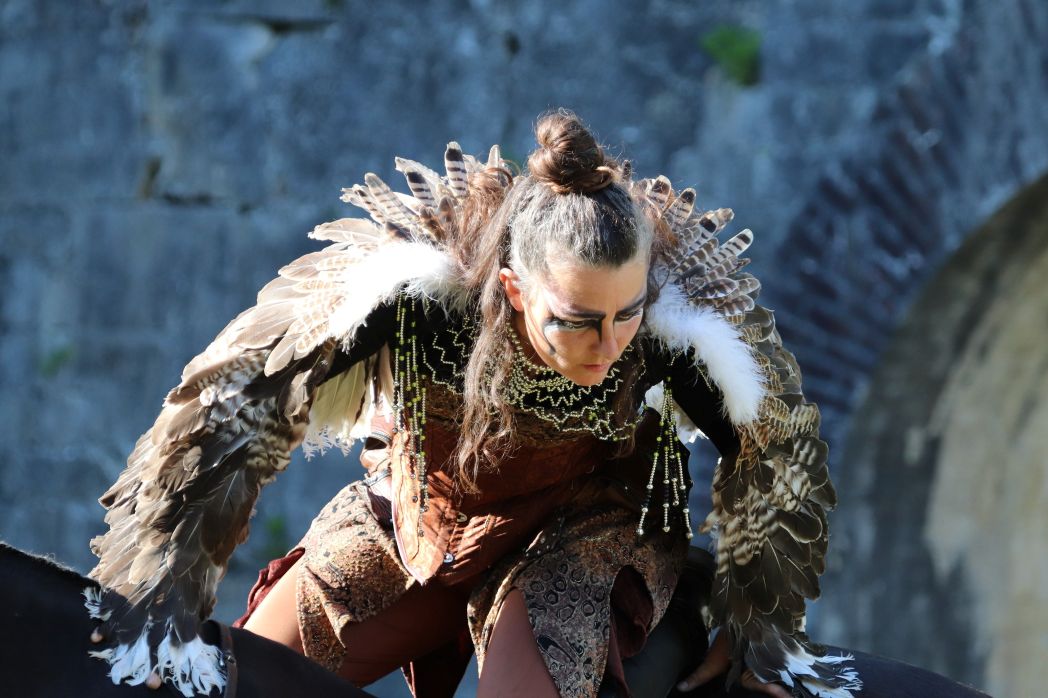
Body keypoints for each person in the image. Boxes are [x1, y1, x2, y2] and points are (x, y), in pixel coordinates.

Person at [84, 110, 985, 698]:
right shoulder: (412, 300)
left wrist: (759, 626)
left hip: (585, 531)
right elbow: (222, 412)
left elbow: (775, 460)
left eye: (627, 315)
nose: (611, 343)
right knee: (229, 677)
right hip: (421, 517)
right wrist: (159, 588)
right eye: (578, 321)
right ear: (514, 291)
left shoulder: (680, 334)